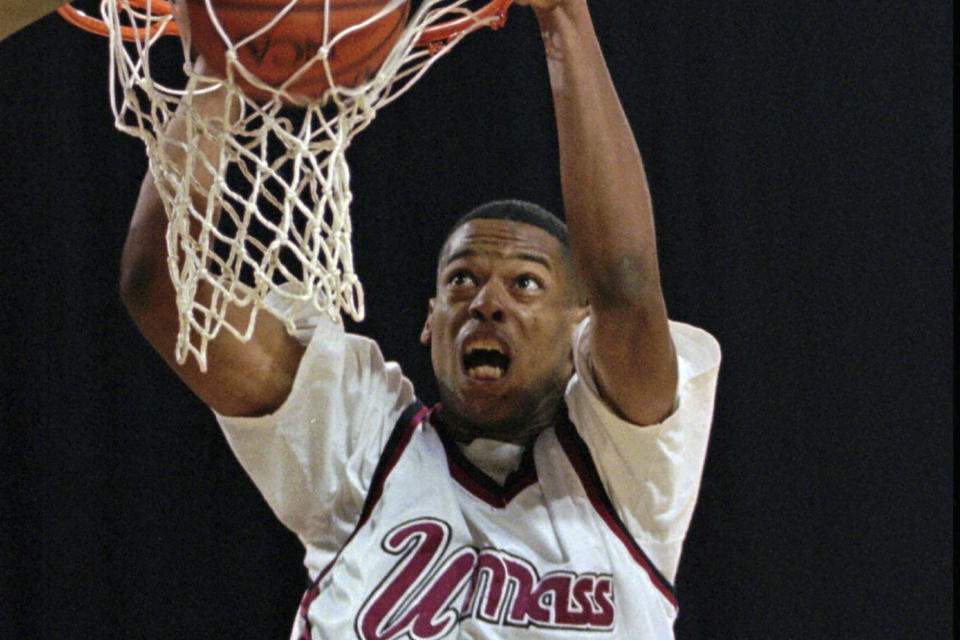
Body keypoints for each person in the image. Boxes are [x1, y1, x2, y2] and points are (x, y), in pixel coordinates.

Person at [119, 0, 721, 637]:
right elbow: (162, 290)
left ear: (580, 332)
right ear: (429, 322)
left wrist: (565, 17)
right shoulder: (364, 445)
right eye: (461, 280)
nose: (486, 302)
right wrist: (227, 64)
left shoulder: (627, 470)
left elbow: (625, 289)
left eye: (525, 283)